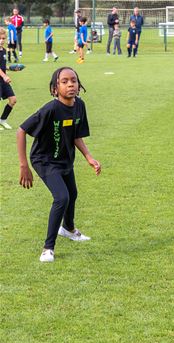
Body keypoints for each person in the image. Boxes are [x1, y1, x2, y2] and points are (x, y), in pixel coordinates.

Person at [17, 67, 101, 263]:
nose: (70, 84)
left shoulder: (79, 105)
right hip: (44, 160)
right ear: (55, 88)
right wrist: (23, 166)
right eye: (64, 81)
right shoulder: (50, 109)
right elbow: (21, 131)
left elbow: (76, 135)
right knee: (62, 197)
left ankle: (69, 229)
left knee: (73, 194)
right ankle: (48, 248)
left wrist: (89, 157)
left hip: (64, 158)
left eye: (74, 80)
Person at [0, 27, 17, 130]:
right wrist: (4, 76)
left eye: (3, 38)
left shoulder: (4, 50)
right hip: (2, 78)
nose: (2, 40)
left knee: (13, 100)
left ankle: (3, 120)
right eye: (0, 38)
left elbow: (2, 66)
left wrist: (11, 68)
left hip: (3, 80)